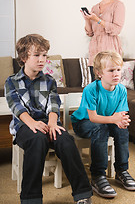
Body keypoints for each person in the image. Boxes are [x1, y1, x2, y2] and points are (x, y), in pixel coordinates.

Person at [5, 34, 93, 204]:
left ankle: (83, 194)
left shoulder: (50, 81)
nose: (42, 59)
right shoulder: (12, 82)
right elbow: (17, 108)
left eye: (44, 55)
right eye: (36, 55)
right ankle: (31, 199)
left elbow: (54, 103)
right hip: (25, 125)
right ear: (23, 57)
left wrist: (52, 123)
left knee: (66, 141)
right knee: (38, 140)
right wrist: (32, 123)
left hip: (49, 122)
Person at [71, 51, 135, 198]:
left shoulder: (121, 90)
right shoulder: (91, 89)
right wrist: (115, 119)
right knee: (100, 129)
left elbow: (120, 115)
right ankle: (97, 176)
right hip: (83, 122)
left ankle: (121, 171)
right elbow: (93, 117)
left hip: (107, 121)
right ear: (99, 73)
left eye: (118, 70)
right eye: (111, 70)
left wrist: (122, 121)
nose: (116, 74)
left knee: (123, 130)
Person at [81, 0, 125, 81]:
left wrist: (98, 20)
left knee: (108, 87)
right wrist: (87, 20)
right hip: (94, 53)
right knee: (95, 86)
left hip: (110, 52)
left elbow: (116, 29)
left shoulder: (118, 5)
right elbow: (90, 33)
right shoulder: (94, 8)